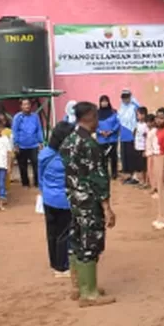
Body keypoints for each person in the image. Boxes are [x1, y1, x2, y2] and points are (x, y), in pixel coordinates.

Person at [61, 101, 116, 307]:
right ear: (90, 116)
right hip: (89, 200)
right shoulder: (90, 145)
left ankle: (79, 286)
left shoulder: (69, 140)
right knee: (90, 242)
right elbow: (98, 178)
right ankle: (89, 293)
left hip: (73, 197)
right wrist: (107, 207)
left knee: (77, 239)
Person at [39, 122, 76, 277]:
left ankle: (54, 263)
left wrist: (44, 191)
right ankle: (62, 266)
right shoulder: (69, 156)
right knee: (64, 233)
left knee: (51, 232)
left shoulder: (44, 154)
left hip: (47, 198)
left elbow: (40, 177)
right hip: (64, 200)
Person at [12, 98, 44, 189]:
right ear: (21, 106)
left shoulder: (35, 116)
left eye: (28, 104)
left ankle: (37, 183)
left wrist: (40, 142)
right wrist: (16, 144)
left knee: (36, 164)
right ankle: (25, 184)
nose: (27, 106)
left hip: (34, 145)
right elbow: (15, 131)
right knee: (23, 166)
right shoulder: (17, 117)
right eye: (24, 104)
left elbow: (39, 129)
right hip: (21, 146)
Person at [118, 89, 144, 185]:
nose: (125, 99)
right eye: (123, 97)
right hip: (123, 135)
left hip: (132, 134)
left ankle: (135, 176)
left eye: (127, 97)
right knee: (125, 157)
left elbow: (138, 117)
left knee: (133, 156)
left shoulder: (134, 107)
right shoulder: (121, 108)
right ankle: (128, 175)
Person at [96, 96, 121, 180]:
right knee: (103, 158)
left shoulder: (113, 112)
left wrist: (111, 131)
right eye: (102, 101)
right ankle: (104, 173)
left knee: (113, 157)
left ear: (108, 102)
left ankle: (114, 173)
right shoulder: (96, 113)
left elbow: (118, 123)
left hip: (112, 138)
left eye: (106, 101)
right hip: (101, 139)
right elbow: (94, 125)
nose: (104, 103)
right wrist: (100, 132)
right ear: (100, 103)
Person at [132, 107, 150, 188]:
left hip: (143, 148)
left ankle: (145, 181)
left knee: (144, 167)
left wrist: (145, 149)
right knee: (139, 166)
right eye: (137, 115)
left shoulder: (146, 125)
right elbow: (135, 134)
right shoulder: (137, 124)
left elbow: (147, 138)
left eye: (138, 114)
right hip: (137, 147)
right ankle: (141, 180)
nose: (137, 116)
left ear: (143, 115)